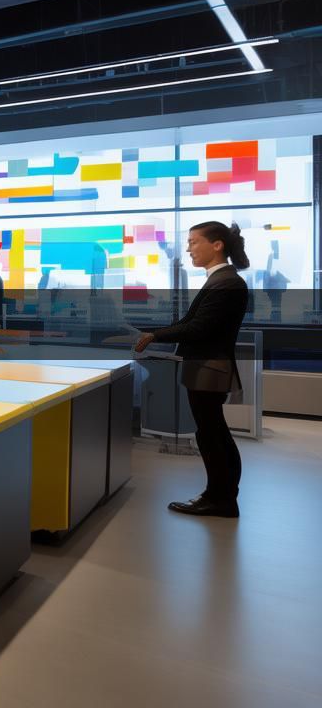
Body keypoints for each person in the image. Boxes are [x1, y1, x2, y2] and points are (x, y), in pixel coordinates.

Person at [136, 221, 250, 518]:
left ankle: (220, 499)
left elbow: (198, 328)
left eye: (193, 242)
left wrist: (155, 336)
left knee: (211, 435)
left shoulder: (226, 282)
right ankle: (222, 494)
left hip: (209, 367)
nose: (189, 249)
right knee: (214, 433)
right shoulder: (221, 280)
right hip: (206, 366)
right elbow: (191, 323)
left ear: (217, 245)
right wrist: (154, 333)